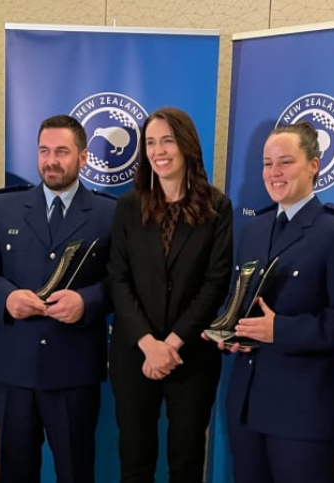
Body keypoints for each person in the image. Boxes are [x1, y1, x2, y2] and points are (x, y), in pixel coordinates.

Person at [211, 122, 334, 483]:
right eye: (267, 164)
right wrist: (227, 331)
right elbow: (238, 299)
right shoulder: (255, 228)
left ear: (314, 165)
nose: (274, 173)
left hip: (305, 412)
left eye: (285, 162)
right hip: (248, 406)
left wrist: (280, 330)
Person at [0, 115, 116, 483]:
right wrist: (6, 298)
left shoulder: (110, 213)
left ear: (83, 158)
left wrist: (87, 302)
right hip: (13, 364)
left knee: (75, 470)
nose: (51, 160)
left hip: (73, 366)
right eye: (44, 151)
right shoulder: (4, 207)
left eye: (62, 151)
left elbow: (121, 282)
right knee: (14, 472)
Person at [107, 106, 233, 483]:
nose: (159, 150)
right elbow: (117, 278)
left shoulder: (217, 207)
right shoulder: (129, 206)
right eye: (150, 142)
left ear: (187, 145)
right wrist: (149, 343)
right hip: (135, 353)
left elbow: (216, 282)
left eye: (168, 140)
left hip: (191, 355)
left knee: (186, 458)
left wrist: (173, 343)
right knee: (135, 458)